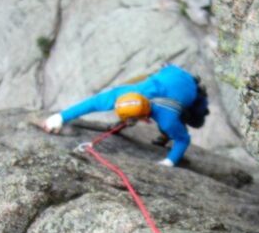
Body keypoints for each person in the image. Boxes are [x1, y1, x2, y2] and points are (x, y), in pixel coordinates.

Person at [43, 64, 209, 167]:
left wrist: (170, 161)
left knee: (196, 121)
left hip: (191, 89)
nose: (130, 122)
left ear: (145, 116)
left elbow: (183, 139)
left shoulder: (167, 118)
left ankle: (167, 134)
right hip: (169, 74)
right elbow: (92, 104)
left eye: (133, 120)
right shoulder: (124, 94)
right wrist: (60, 117)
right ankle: (165, 135)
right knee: (169, 124)